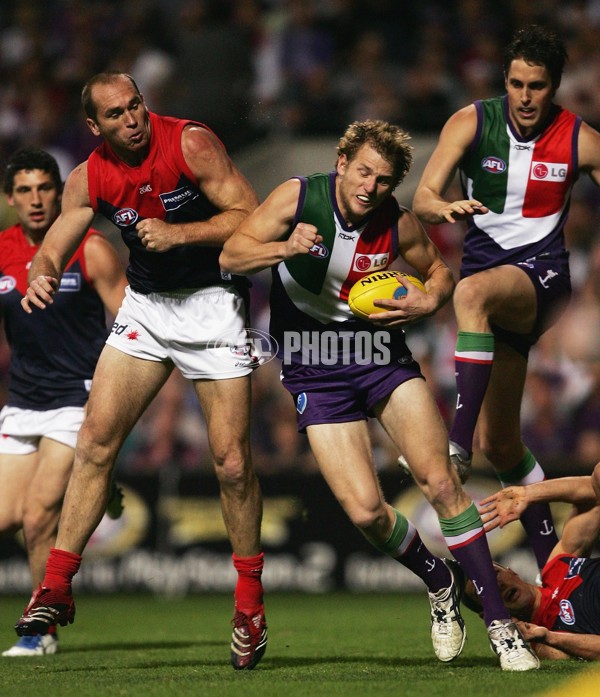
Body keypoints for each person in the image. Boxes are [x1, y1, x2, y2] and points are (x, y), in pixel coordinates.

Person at [220, 119, 539, 671]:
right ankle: (440, 580)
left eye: (385, 180)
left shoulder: (399, 222)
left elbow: (439, 272)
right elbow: (230, 255)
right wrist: (281, 245)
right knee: (366, 511)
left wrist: (430, 301)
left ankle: (500, 626)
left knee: (441, 481)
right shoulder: (297, 197)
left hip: (379, 358)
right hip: (313, 366)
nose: (371, 186)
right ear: (342, 162)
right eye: (364, 171)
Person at [14, 71, 267, 671]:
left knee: (232, 463)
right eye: (116, 114)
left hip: (213, 304)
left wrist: (181, 233)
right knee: (96, 440)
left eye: (136, 106)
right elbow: (58, 237)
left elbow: (250, 214)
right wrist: (44, 267)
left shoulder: (189, 143)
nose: (132, 120)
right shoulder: (90, 174)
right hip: (148, 310)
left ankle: (250, 608)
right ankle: (54, 586)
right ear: (94, 126)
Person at [407, 24, 600, 573]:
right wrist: (439, 209)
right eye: (516, 83)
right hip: (493, 297)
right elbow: (423, 194)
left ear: (554, 87)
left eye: (536, 86)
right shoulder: (471, 122)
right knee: (505, 445)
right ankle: (556, 573)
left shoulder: (580, 138)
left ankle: (456, 447)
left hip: (541, 279)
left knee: (469, 294)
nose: (524, 96)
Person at [0, 148, 127, 656]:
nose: (36, 200)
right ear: (11, 199)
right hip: (23, 402)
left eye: (44, 188)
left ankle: (40, 629)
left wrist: (117, 399)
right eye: (25, 191)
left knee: (37, 517)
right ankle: (102, 480)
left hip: (79, 398)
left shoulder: (91, 248)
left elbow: (129, 324)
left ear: (60, 192)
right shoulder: (2, 249)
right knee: (7, 519)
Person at [464, 463, 600, 661]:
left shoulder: (556, 566)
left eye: (495, 575)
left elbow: (590, 492)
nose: (498, 585)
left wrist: (528, 494)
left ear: (511, 571)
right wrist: (550, 637)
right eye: (484, 589)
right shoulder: (544, 641)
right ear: (487, 613)